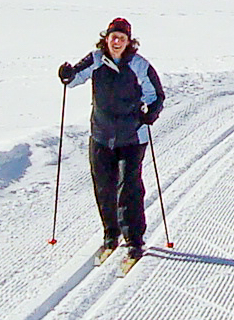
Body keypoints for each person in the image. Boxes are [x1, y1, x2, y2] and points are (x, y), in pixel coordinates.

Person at [56, 17, 165, 269]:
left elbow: (156, 94)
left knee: (129, 188)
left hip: (132, 136)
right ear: (106, 38)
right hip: (101, 136)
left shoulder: (138, 64)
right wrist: (66, 74)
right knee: (104, 187)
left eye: (122, 38)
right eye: (113, 37)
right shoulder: (96, 59)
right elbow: (74, 78)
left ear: (129, 42)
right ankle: (110, 234)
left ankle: (134, 241)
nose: (117, 42)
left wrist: (150, 113)